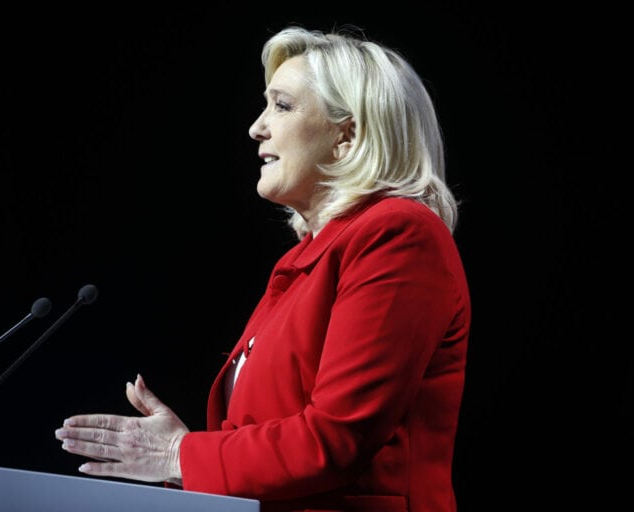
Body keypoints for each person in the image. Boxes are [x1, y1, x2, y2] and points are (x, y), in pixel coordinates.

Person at [55, 24, 471, 512]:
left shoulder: (398, 234)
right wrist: (186, 457)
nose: (257, 127)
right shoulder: (306, 260)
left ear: (348, 134)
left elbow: (337, 438)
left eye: (282, 106)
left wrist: (179, 455)